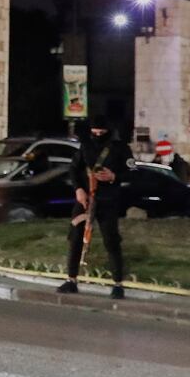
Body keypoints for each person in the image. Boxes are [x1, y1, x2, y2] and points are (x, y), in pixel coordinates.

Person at [56, 115, 132, 300]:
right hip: (85, 200)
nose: (97, 134)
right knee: (75, 238)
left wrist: (114, 176)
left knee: (111, 240)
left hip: (108, 200)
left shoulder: (120, 148)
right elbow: (73, 169)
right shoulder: (86, 146)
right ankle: (71, 280)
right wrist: (78, 190)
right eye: (94, 131)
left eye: (101, 132)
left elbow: (133, 171)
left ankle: (117, 284)